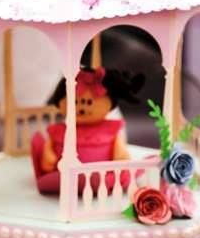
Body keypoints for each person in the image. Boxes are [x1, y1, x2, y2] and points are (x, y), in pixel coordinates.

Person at [31, 66, 144, 194]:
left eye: (89, 102)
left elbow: (119, 149)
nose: (82, 107)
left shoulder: (110, 129)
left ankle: (98, 181)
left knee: (114, 176)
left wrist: (121, 156)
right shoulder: (59, 131)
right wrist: (48, 156)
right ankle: (80, 182)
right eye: (75, 102)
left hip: (103, 174)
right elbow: (49, 147)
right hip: (64, 174)